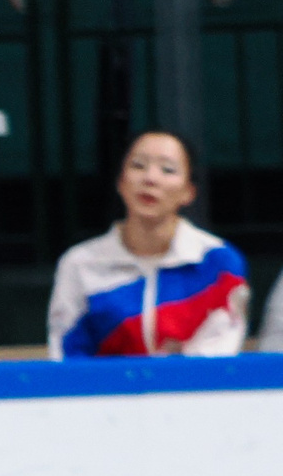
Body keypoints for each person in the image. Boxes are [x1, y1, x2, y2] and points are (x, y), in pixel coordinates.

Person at [49, 131, 249, 359]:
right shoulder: (79, 263)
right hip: (104, 393)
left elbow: (217, 357)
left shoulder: (219, 262)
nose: (150, 179)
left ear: (189, 192)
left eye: (168, 170)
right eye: (138, 166)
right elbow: (67, 356)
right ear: (121, 182)